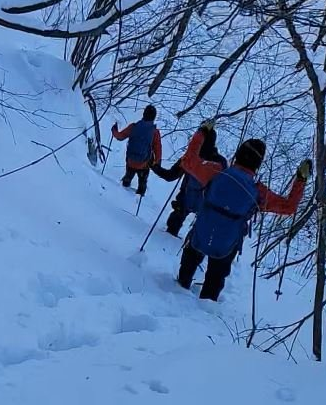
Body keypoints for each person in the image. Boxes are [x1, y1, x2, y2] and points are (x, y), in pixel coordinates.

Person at [177, 120, 312, 301]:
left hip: (202, 230)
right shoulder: (257, 192)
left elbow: (188, 161)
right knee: (216, 276)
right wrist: (300, 180)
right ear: (257, 165)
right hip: (228, 240)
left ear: (238, 154)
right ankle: (205, 305)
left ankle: (179, 287)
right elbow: (289, 207)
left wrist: (201, 132)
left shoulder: (216, 172)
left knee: (190, 259)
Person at [150, 128, 228, 237]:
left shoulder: (189, 158)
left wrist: (155, 167)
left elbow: (170, 175)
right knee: (197, 237)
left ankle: (169, 239)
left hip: (184, 200)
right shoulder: (220, 162)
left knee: (172, 227)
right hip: (205, 205)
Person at [111, 105, 162, 196]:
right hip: (144, 164)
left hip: (130, 160)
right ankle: (140, 196)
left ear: (143, 114)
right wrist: (157, 162)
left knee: (128, 176)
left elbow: (119, 137)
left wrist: (114, 130)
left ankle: (123, 189)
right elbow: (158, 150)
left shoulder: (133, 127)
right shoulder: (154, 132)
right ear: (154, 117)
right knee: (142, 182)